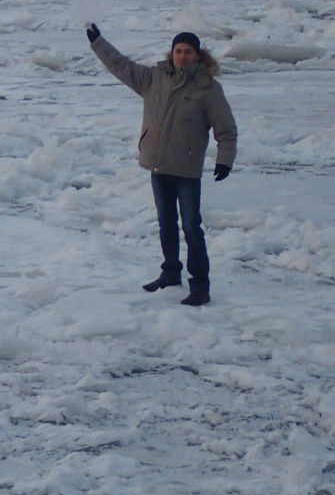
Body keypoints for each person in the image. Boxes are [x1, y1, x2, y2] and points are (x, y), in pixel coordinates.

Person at [86, 24, 237, 306]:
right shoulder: (153, 78)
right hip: (158, 165)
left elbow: (226, 129)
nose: (181, 56)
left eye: (188, 52)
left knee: (192, 227)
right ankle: (170, 273)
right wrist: (97, 42)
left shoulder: (208, 89)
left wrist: (224, 160)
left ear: (198, 56)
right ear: (172, 52)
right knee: (166, 224)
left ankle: (200, 286)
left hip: (186, 170)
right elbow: (120, 65)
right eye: (178, 51)